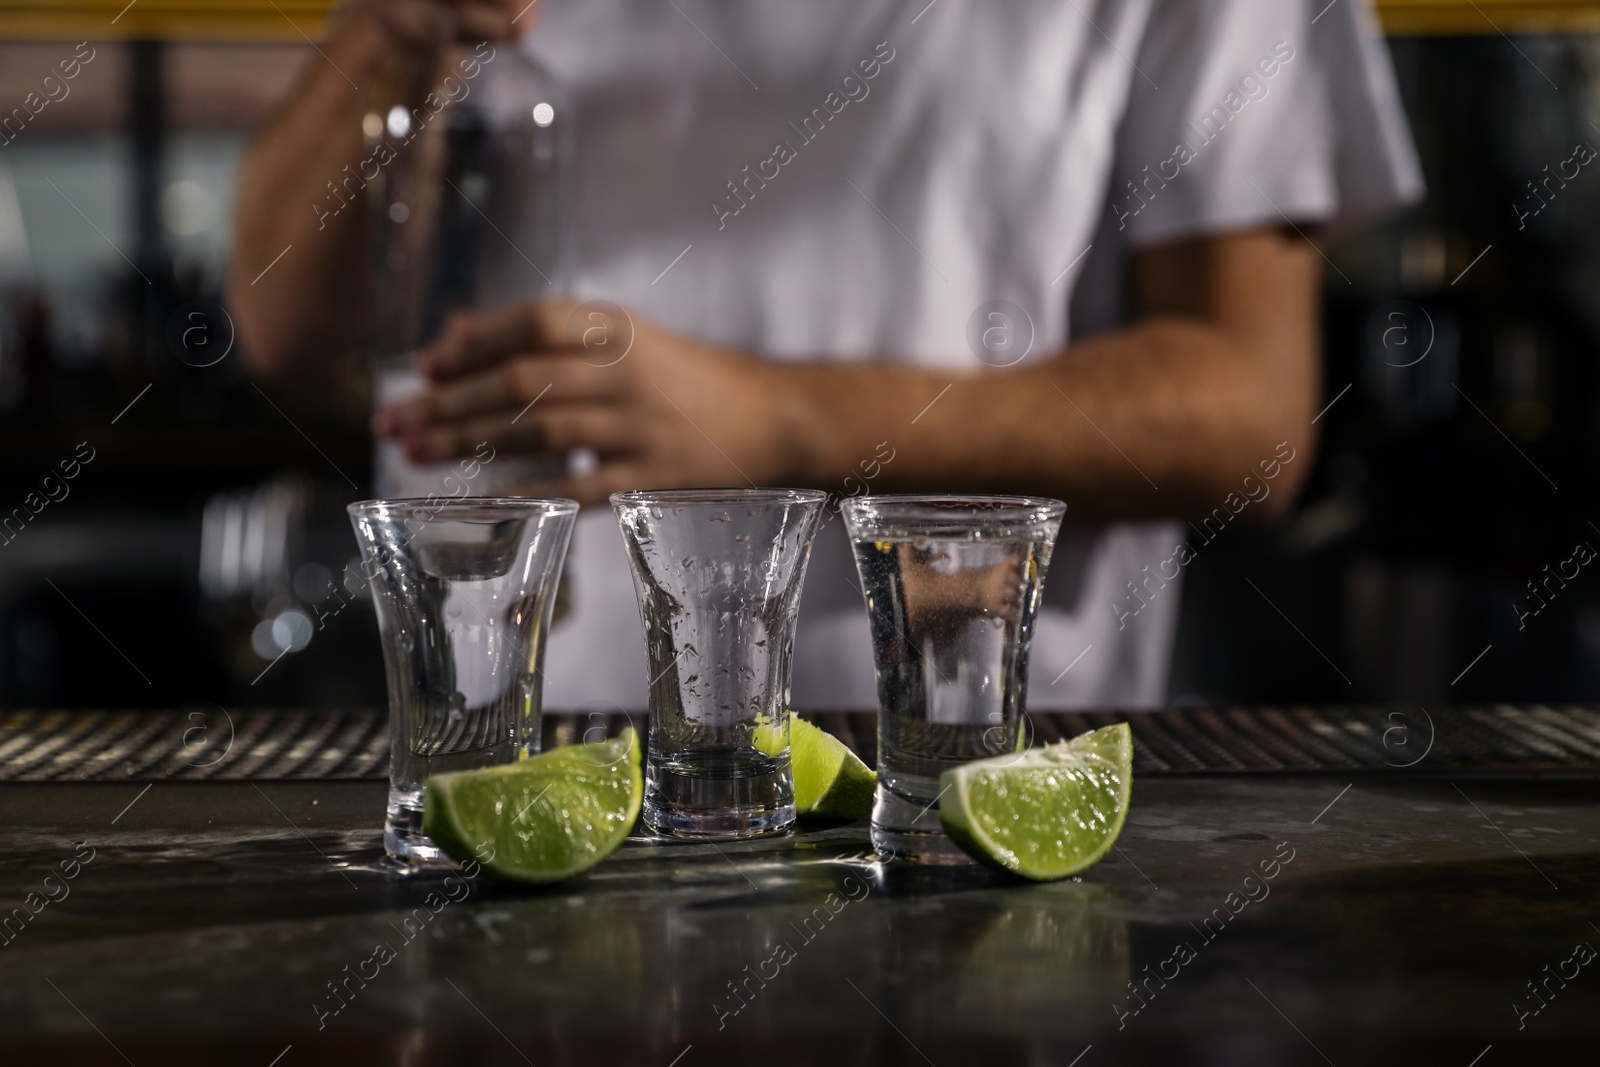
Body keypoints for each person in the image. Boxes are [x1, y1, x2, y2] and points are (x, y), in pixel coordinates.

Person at [230, 0, 1421, 710]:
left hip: (959, 788)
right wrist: (382, 33)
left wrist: (772, 424)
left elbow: (1247, 413)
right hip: (506, 775)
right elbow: (283, 320)